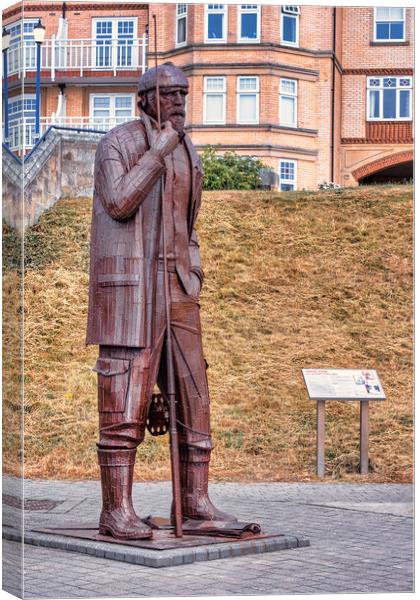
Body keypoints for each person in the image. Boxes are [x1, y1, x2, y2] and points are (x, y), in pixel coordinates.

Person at [86, 62, 235, 540]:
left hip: (178, 286)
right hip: (133, 289)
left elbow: (188, 219)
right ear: (145, 97)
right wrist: (158, 152)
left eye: (183, 94)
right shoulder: (119, 143)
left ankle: (193, 502)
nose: (178, 102)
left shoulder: (188, 148)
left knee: (194, 396)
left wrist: (193, 266)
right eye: (169, 93)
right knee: (125, 397)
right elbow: (118, 202)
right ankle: (117, 509)